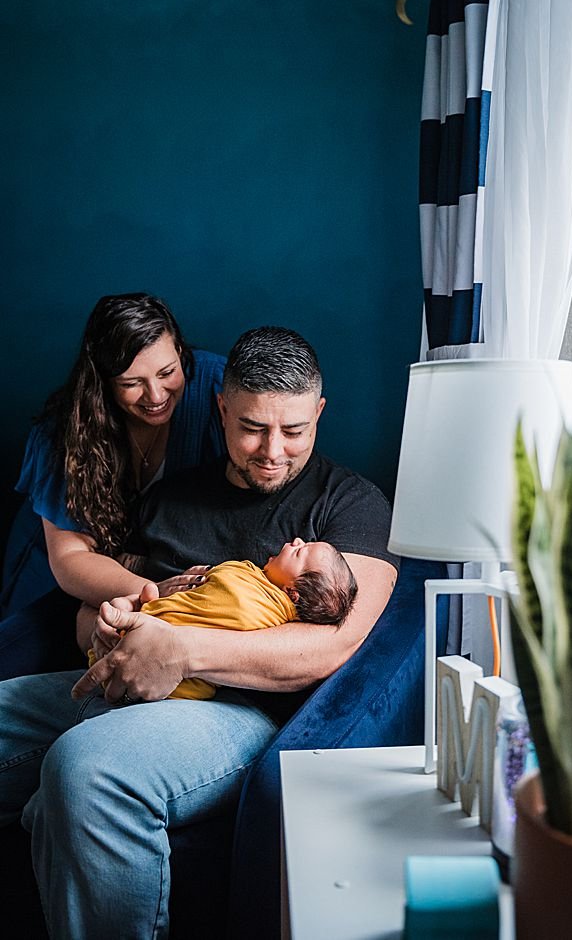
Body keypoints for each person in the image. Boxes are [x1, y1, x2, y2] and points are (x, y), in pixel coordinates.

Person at [0, 325, 398, 939]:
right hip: (114, 673)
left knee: (88, 767)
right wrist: (108, 625)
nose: (272, 451)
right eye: (251, 428)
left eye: (294, 431)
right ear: (220, 408)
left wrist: (180, 651)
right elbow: (93, 606)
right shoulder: (172, 501)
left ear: (319, 412)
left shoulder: (351, 505)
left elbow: (333, 643)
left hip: (244, 711)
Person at [0, 292, 227, 677]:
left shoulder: (216, 386)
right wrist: (152, 594)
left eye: (167, 372)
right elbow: (71, 559)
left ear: (181, 352)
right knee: (18, 668)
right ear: (103, 382)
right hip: (59, 568)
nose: (156, 396)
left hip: (155, 564)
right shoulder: (62, 433)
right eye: (132, 383)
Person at [90, 537, 358, 700]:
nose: (296, 541)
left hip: (162, 678)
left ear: (292, 593)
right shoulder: (255, 582)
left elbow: (217, 612)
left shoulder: (252, 604)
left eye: (301, 552)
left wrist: (149, 615)